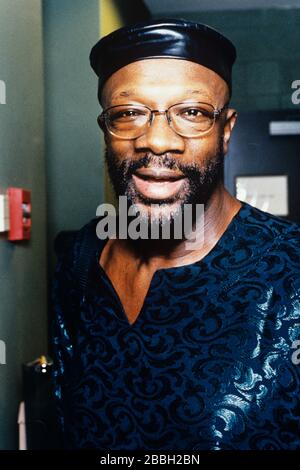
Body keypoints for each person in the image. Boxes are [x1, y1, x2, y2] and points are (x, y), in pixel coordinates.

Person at [50, 18, 300, 450]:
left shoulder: (291, 271)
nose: (159, 141)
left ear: (226, 132)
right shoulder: (80, 258)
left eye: (192, 113)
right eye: (129, 114)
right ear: (106, 132)